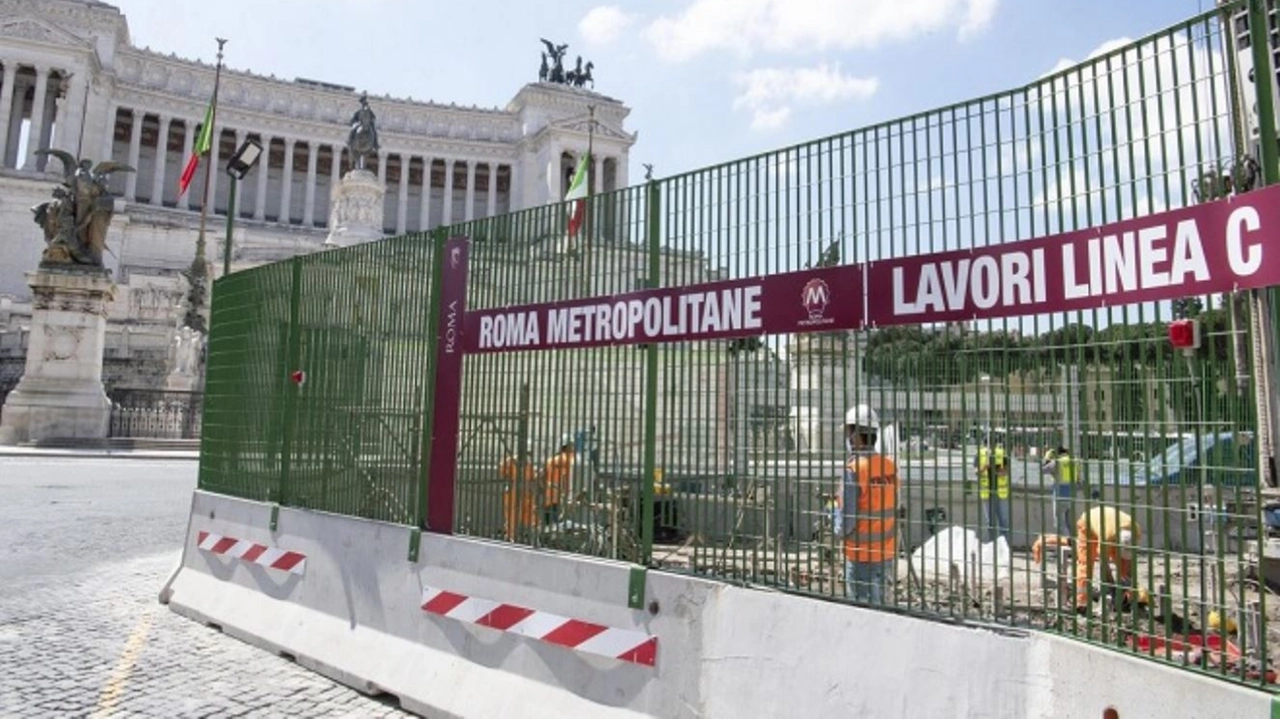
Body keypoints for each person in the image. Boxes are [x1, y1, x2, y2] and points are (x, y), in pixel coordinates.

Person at [840, 403, 899, 605]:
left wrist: (836, 526)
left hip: (860, 556)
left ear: (856, 434)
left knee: (861, 613)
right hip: (886, 554)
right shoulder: (889, 466)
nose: (846, 437)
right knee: (883, 608)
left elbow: (846, 520)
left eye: (848, 431)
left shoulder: (854, 469)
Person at [1075, 506, 1142, 613]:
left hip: (1113, 526)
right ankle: (1082, 601)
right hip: (1088, 523)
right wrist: (1111, 585)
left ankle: (1128, 599)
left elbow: (1130, 562)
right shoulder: (1107, 536)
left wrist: (1127, 582)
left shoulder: (1136, 531)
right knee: (1086, 563)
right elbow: (1103, 563)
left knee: (1125, 566)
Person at [500, 441, 538, 542]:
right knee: (512, 518)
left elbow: (532, 479)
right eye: (528, 452)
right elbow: (502, 475)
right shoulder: (510, 461)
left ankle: (529, 538)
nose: (529, 455)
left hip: (526, 494)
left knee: (531, 518)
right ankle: (510, 538)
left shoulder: (529, 464)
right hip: (513, 494)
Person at [1041, 445, 1077, 538]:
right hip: (1072, 495)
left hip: (1060, 494)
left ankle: (1067, 543)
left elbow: (1043, 470)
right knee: (1070, 523)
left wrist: (1046, 458)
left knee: (1060, 523)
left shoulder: (1057, 462)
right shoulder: (1074, 461)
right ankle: (1074, 544)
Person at [976, 443, 1010, 540]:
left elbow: (1006, 470)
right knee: (989, 522)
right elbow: (976, 472)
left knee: (1003, 520)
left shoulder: (1001, 453)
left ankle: (1004, 545)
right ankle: (992, 545)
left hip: (1000, 492)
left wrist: (998, 471)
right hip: (986, 492)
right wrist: (985, 467)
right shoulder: (980, 454)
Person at [542, 435, 576, 526]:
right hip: (564, 498)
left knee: (549, 526)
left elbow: (542, 477)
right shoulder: (572, 459)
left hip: (549, 498)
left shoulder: (550, 460)